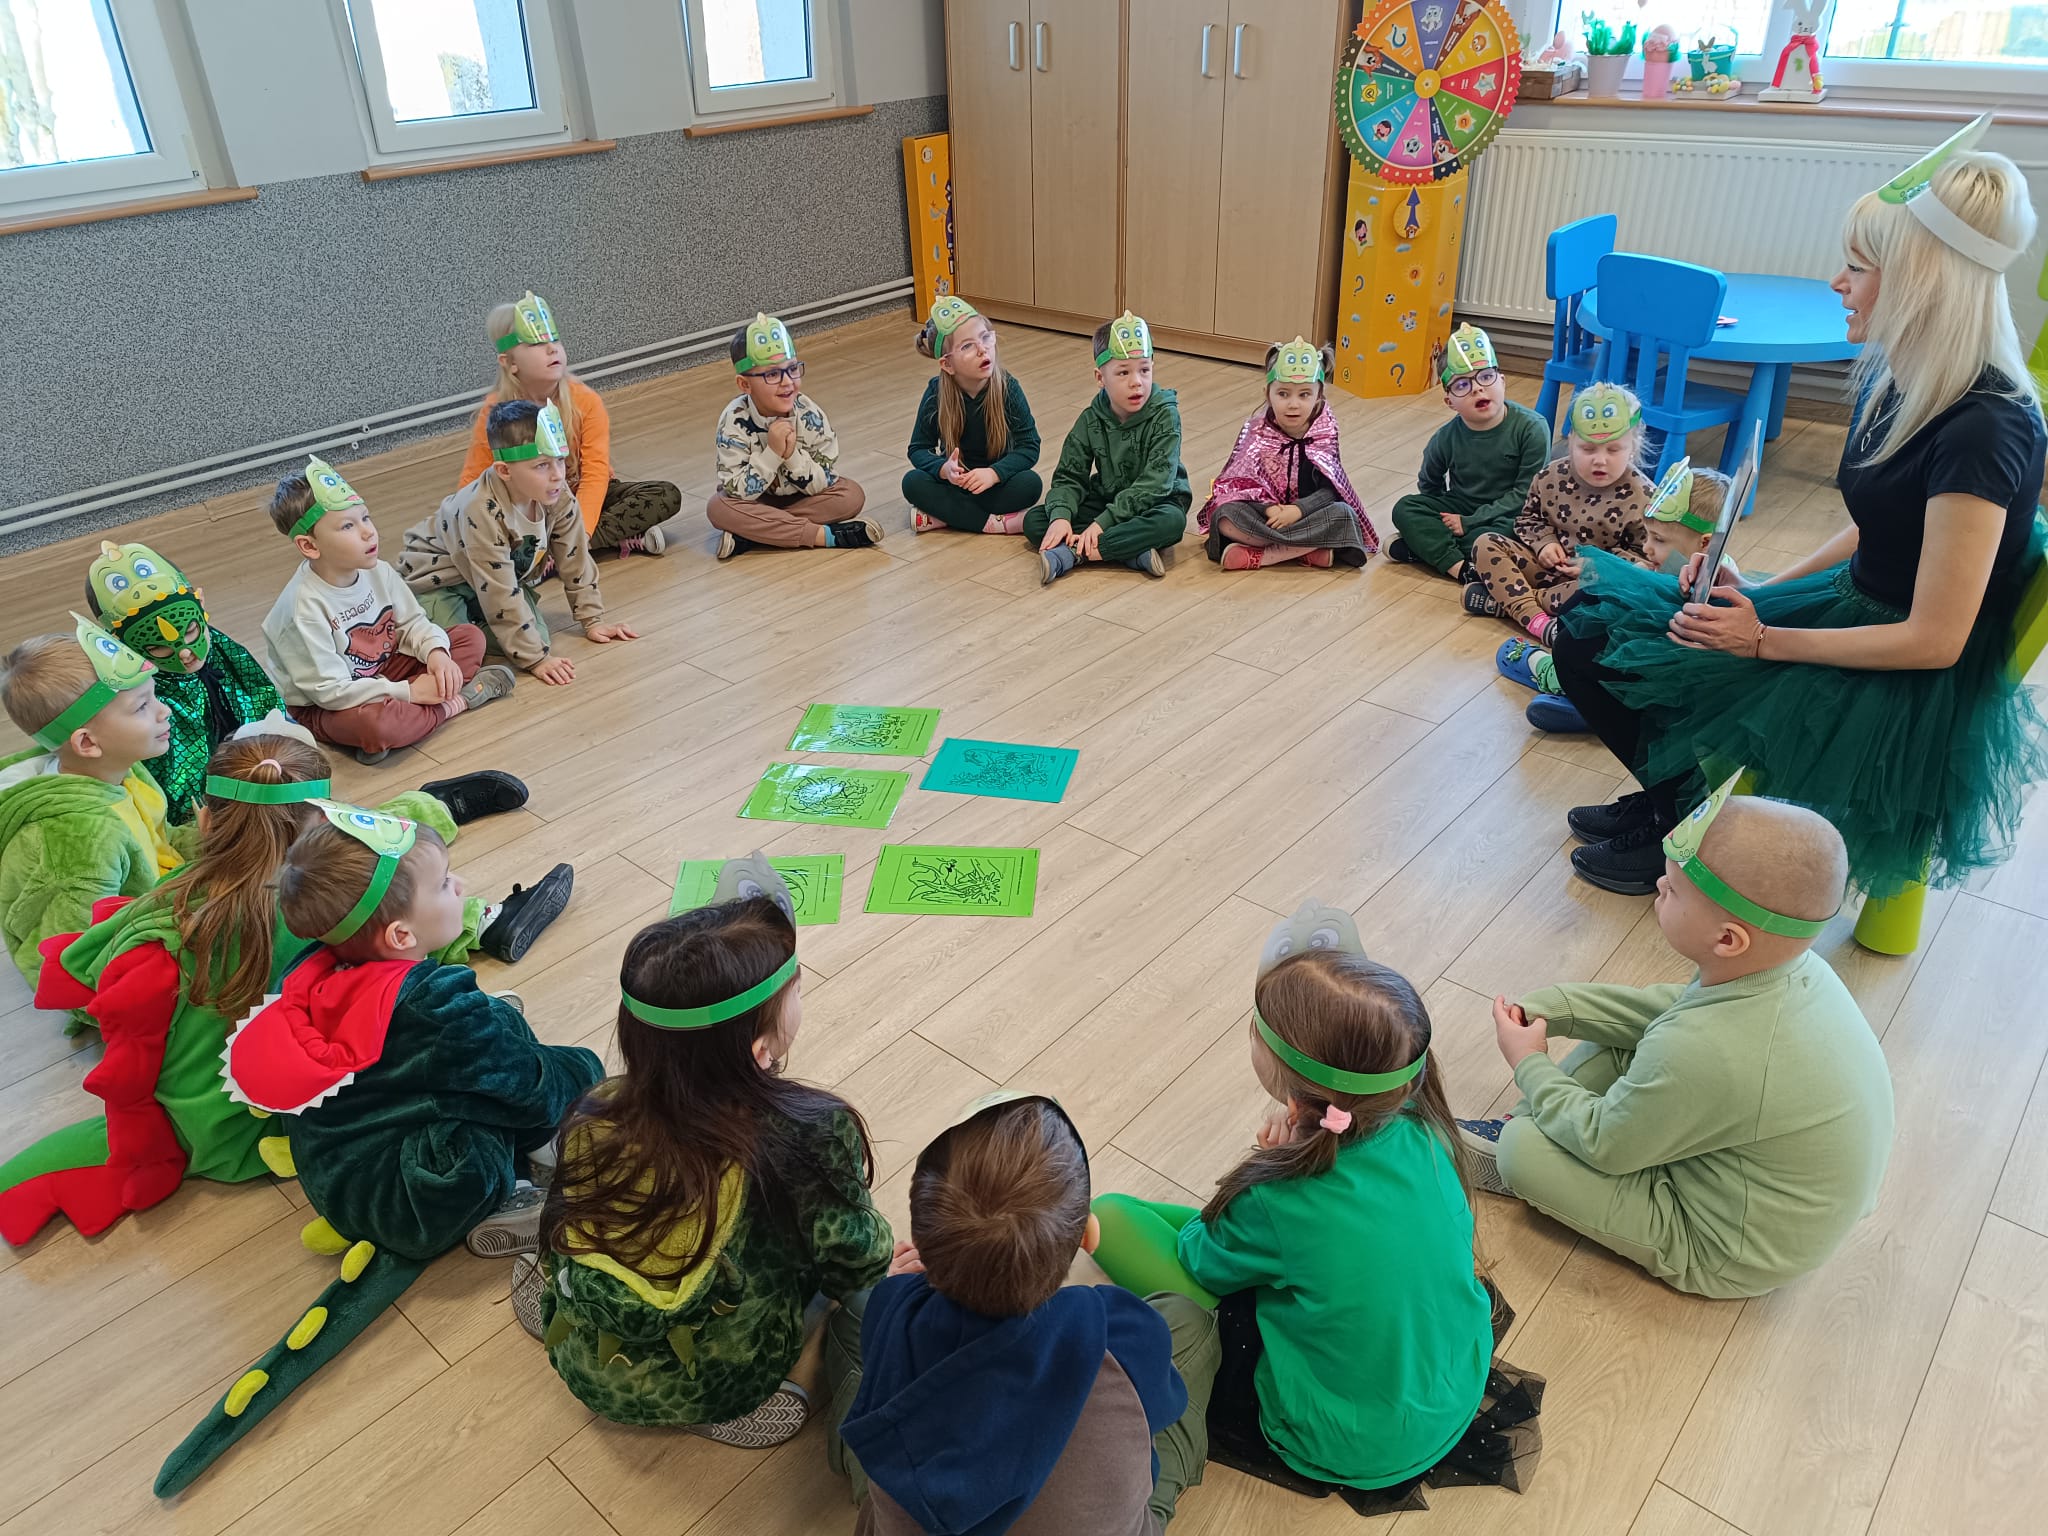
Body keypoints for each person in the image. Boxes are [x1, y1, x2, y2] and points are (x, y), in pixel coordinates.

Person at [1552, 119, 2048, 897]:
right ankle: (1675, 798)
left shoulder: (1985, 430)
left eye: (1858, 269)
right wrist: (1761, 591)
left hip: (1897, 670)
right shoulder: (1913, 383)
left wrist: (1762, 640)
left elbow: (1935, 640)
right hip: (1852, 608)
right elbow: (1881, 527)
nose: (1837, 284)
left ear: (1921, 281)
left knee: (1621, 642)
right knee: (1591, 622)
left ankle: (1687, 823)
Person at [153, 801, 605, 1498]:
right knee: (524, 1096)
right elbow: (535, 1091)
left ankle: (482, 1127)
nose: (460, 887)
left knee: (490, 1039)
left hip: (338, 1171)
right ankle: (502, 1204)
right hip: (411, 1195)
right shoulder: (433, 1004)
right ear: (400, 934)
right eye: (446, 883)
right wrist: (586, 1068)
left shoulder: (317, 964)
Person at [0, 729, 559, 1245]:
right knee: (461, 1062)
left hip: (206, 1125)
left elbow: (101, 1003)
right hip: (294, 1114)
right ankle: (506, 1183)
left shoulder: (167, 906)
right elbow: (395, 971)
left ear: (204, 821)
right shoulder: (327, 914)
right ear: (326, 833)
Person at [1088, 903, 1541, 1516]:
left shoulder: (1277, 1196)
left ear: (1285, 1074)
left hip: (1345, 1439)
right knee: (1253, 1241)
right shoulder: (1425, 1126)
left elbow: (1199, 1259)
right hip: (1448, 1390)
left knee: (1112, 1214)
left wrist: (1267, 1167)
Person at [1458, 777, 1895, 1299]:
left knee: (1521, 1152)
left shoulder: (1708, 1048)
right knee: (1642, 1041)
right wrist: (1558, 1008)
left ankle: (1520, 1134)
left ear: (1728, 939)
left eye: (1672, 889)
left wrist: (1530, 1064)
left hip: (1727, 1249)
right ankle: (1541, 1120)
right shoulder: (1795, 970)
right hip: (1764, 1186)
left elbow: (1607, 1143)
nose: (1658, 887)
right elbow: (1665, 1011)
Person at [526, 857, 892, 1447]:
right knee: (851, 1296)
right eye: (797, 990)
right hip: (718, 1378)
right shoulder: (808, 1131)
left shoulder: (596, 1108)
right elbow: (854, 1257)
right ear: (760, 1049)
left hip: (577, 1351)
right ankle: (759, 1388)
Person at [836, 1092, 1217, 1534]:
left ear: (920, 1242)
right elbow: (1163, 1406)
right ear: (1088, 1237)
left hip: (907, 1515)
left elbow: (888, 1321)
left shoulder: (894, 1313)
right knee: (1188, 1320)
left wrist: (896, 1290)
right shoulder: (1120, 1331)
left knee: (855, 1314)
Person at [265, 456, 515, 765]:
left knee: (469, 638)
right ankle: (459, 702)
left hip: (383, 670)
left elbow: (413, 623)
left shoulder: (378, 571)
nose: (368, 532)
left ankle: (410, 720)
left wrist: (436, 653)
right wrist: (409, 691)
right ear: (310, 546)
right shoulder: (302, 609)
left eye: (365, 518)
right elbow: (330, 692)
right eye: (348, 526)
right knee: (376, 726)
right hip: (324, 705)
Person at [400, 400, 640, 688]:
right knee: (468, 644)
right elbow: (499, 591)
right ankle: (412, 621)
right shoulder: (480, 509)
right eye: (542, 465)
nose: (558, 474)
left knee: (539, 638)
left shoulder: (557, 494)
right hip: (438, 582)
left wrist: (593, 619)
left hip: (489, 579)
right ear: (504, 471)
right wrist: (535, 660)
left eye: (560, 460)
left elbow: (575, 556)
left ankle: (473, 620)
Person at [0, 616, 180, 994]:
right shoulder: (82, 841)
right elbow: (67, 963)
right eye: (141, 706)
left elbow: (157, 843)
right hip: (131, 970)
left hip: (156, 908)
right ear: (87, 743)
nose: (163, 710)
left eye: (154, 696)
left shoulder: (121, 767)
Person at [455, 291, 682, 557]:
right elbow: (473, 482)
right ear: (510, 363)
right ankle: (587, 544)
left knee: (665, 495)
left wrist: (581, 534)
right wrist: (466, 528)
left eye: (554, 340)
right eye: (536, 344)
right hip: (527, 506)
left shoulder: (585, 401)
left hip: (579, 497)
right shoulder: (495, 410)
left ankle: (550, 553)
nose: (552, 349)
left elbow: (595, 473)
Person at [84, 539, 280, 823]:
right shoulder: (144, 694)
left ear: (201, 605)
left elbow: (261, 697)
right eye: (159, 648)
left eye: (190, 632)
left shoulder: (222, 649)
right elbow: (170, 778)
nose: (185, 653)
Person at [1467, 382, 1654, 634]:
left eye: (1614, 450)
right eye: (1587, 449)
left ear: (1634, 446)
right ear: (1571, 441)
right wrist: (1544, 543)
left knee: (1617, 592)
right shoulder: (1550, 476)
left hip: (1590, 585)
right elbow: (1528, 520)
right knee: (1486, 543)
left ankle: (1515, 602)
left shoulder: (1644, 496)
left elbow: (1647, 560)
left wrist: (1598, 566)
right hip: (1544, 568)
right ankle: (1536, 619)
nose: (1600, 460)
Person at [1027, 312, 1191, 585]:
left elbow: (1157, 483)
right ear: (1100, 377)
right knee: (1036, 521)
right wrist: (1061, 518)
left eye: (1144, 370)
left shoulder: (1166, 415)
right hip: (1109, 499)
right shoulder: (1091, 419)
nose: (1136, 381)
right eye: (1123, 372)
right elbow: (1069, 476)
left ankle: (1076, 554)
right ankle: (1131, 551)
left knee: (1172, 522)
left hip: (1159, 502)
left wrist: (1102, 523)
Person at [1387, 324, 1551, 590]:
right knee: (1404, 508)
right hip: (1462, 507)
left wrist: (1469, 522)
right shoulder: (1445, 438)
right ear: (1449, 402)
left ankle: (1427, 549)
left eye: (1486, 377)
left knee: (1495, 537)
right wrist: (1444, 513)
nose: (1477, 389)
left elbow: (1525, 495)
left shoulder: (1532, 428)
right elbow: (1429, 483)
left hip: (1511, 513)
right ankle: (1462, 569)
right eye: (1462, 385)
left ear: (1502, 381)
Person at [709, 313, 878, 559]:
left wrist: (791, 457)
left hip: (805, 499)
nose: (788, 382)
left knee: (851, 495)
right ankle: (823, 536)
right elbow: (738, 491)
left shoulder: (810, 413)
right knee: (718, 507)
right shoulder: (733, 420)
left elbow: (824, 480)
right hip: (757, 502)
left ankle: (754, 534)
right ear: (745, 384)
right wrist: (772, 454)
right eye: (772, 375)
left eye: (792, 369)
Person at [1198, 338, 1377, 571]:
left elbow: (1331, 489)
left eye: (1304, 395)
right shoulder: (1256, 431)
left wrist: (1298, 510)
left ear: (1319, 396)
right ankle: (1307, 549)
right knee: (1224, 516)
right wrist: (1269, 509)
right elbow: (1239, 485)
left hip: (1308, 516)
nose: (1293, 404)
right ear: (1267, 394)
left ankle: (1263, 556)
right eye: (1283, 394)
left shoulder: (1325, 431)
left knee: (1343, 515)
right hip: (1268, 518)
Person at [904, 297, 1043, 536]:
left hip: (995, 483)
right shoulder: (936, 392)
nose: (982, 349)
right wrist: (944, 469)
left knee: (1030, 484)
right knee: (912, 482)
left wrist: (993, 474)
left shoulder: (1008, 387)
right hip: (956, 484)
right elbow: (918, 448)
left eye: (985, 337)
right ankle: (994, 524)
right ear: (947, 364)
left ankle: (945, 516)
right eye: (967, 346)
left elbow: (1029, 446)